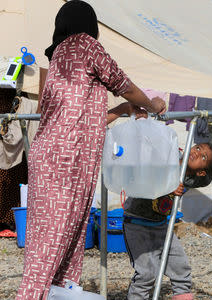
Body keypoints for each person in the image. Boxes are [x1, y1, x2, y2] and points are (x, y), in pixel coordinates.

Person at [16, 1, 166, 299]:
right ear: (89, 23)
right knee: (51, 240)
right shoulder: (84, 44)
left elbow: (86, 117)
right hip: (66, 158)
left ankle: (59, 291)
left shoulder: (59, 55)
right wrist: (152, 104)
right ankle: (31, 295)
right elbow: (123, 82)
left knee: (68, 234)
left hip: (60, 156)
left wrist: (123, 108)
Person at [123, 143, 212, 300]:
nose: (197, 153)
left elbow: (208, 177)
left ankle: (182, 296)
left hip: (161, 226)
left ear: (201, 171)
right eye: (198, 148)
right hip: (137, 223)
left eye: (203, 157)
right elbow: (145, 179)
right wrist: (167, 186)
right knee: (146, 274)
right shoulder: (169, 160)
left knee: (180, 267)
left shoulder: (192, 179)